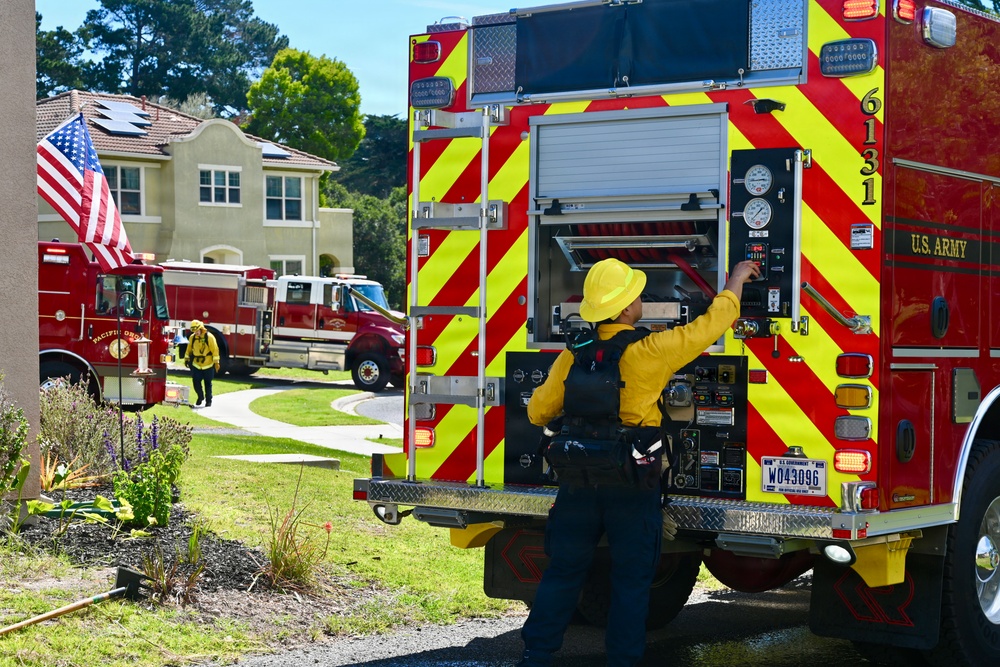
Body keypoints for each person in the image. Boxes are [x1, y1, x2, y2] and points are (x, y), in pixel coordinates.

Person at [519, 257, 760, 667]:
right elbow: (711, 325)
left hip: (577, 480)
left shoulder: (573, 354)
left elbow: (538, 413)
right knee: (631, 581)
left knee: (563, 572)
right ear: (629, 307)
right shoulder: (653, 350)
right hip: (632, 482)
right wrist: (735, 280)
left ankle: (537, 656)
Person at [184, 319, 220, 407]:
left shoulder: (209, 337)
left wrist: (216, 363)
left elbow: (215, 350)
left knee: (208, 383)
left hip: (208, 363)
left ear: (201, 329)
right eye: (194, 331)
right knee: (196, 381)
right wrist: (186, 359)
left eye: (197, 331)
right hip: (197, 363)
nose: (195, 333)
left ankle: (208, 401)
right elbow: (188, 349)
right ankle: (200, 397)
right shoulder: (192, 338)